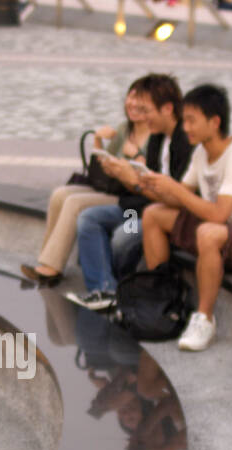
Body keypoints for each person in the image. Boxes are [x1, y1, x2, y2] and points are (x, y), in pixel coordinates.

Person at [139, 83, 232, 352]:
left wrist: (173, 190)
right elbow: (179, 196)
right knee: (153, 216)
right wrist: (147, 184)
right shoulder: (202, 152)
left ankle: (204, 319)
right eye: (185, 120)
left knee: (208, 232)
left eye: (192, 120)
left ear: (215, 122)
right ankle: (162, 299)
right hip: (223, 232)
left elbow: (218, 214)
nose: (186, 128)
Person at [66, 73, 194, 311]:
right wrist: (121, 175)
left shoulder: (183, 141)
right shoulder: (158, 137)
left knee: (122, 238)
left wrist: (133, 180)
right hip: (137, 208)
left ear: (167, 109)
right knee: (89, 218)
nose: (142, 118)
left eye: (147, 111)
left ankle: (119, 290)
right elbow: (148, 184)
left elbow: (175, 198)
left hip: (154, 215)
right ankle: (104, 290)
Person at [21, 82, 151, 287]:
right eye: (131, 97)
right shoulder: (124, 129)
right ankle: (46, 260)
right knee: (60, 194)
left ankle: (51, 268)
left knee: (75, 203)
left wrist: (133, 154)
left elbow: (145, 178)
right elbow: (101, 163)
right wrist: (98, 140)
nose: (133, 104)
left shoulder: (154, 136)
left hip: (127, 196)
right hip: (108, 185)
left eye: (140, 99)